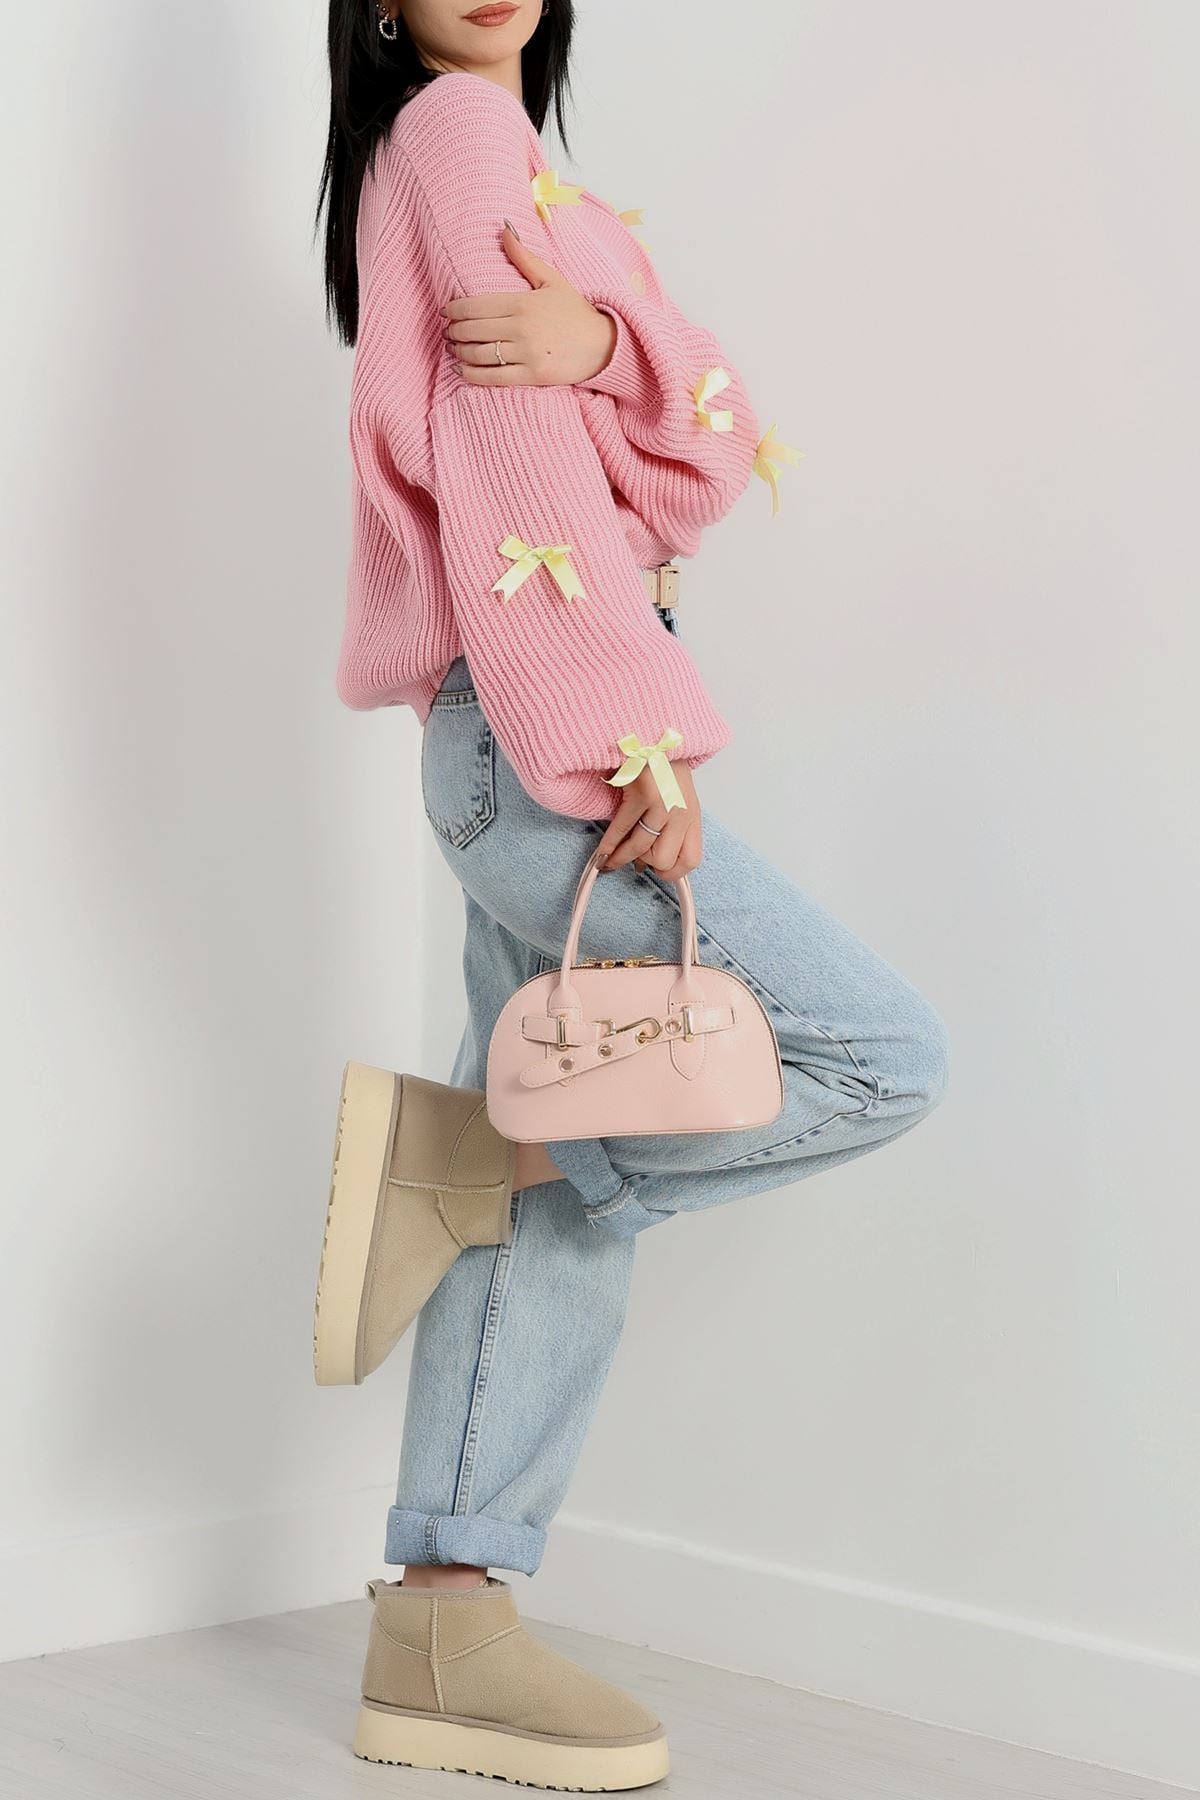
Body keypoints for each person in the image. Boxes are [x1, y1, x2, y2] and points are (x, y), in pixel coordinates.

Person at [313, 3, 950, 1789]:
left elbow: (703, 451)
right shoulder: (456, 136)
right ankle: (467, 1161)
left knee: (561, 1179)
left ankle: (443, 1618)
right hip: (549, 735)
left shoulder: (511, 166)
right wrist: (628, 740)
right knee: (881, 1055)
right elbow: (522, 482)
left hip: (508, 729)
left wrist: (604, 336)